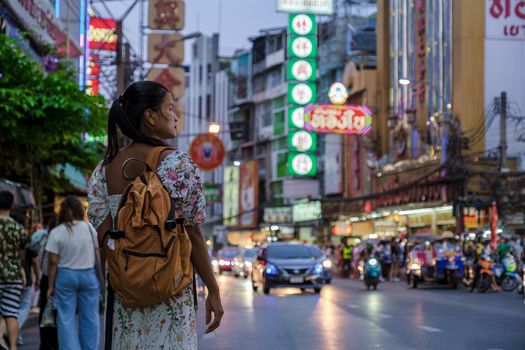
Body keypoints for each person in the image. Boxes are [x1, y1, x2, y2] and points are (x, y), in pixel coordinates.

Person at [87, 81, 223, 349]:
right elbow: (193, 234)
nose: (175, 116)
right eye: (170, 108)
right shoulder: (177, 164)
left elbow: (104, 240)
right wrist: (213, 290)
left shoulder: (102, 171)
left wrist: (113, 286)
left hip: (125, 297)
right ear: (150, 116)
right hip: (170, 293)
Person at [45, 196, 101, 350]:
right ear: (80, 210)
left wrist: (50, 286)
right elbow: (97, 252)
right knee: (90, 317)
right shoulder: (90, 229)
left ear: (61, 212)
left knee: (66, 318)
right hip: (89, 275)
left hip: (65, 276)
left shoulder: (56, 232)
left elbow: (52, 262)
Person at [0, 191, 27, 350]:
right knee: (11, 314)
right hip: (14, 276)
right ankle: (13, 347)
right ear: (12, 205)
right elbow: (22, 254)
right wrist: (21, 271)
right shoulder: (18, 228)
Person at [16, 224, 41, 346]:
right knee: (24, 307)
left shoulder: (7, 238)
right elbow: (35, 262)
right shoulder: (28, 244)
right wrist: (38, 278)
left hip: (9, 279)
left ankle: (16, 336)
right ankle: (12, 331)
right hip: (26, 281)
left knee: (11, 309)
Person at [38, 216, 59, 350]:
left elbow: (40, 258)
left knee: (45, 312)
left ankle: (45, 343)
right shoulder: (60, 236)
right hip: (58, 277)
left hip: (46, 278)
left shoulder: (46, 237)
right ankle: (55, 343)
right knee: (58, 314)